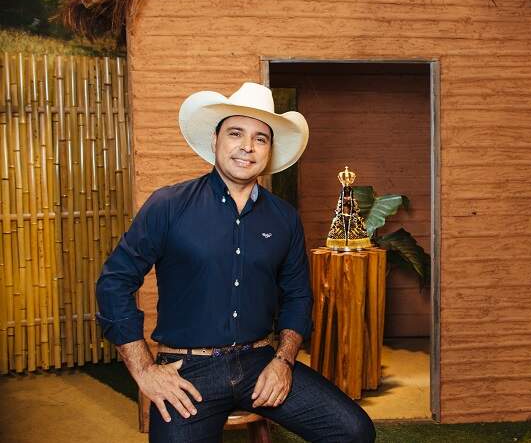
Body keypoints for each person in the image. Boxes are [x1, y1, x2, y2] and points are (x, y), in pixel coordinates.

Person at [96, 82, 376, 442]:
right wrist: (144, 369)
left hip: (261, 362)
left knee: (354, 431)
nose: (247, 146)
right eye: (235, 133)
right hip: (188, 369)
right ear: (215, 140)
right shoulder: (168, 205)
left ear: (269, 150)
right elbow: (114, 282)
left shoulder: (285, 218)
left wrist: (283, 360)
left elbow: (297, 297)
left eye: (260, 138)